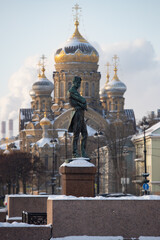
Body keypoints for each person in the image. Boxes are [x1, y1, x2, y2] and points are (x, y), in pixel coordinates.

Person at [68, 76, 88, 158]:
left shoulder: (75, 92)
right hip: (77, 114)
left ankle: (83, 152)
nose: (79, 85)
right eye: (78, 83)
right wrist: (82, 104)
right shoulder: (72, 91)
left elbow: (84, 103)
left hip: (81, 113)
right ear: (74, 82)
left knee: (84, 134)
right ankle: (74, 152)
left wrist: (82, 104)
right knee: (76, 134)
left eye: (80, 83)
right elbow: (83, 101)